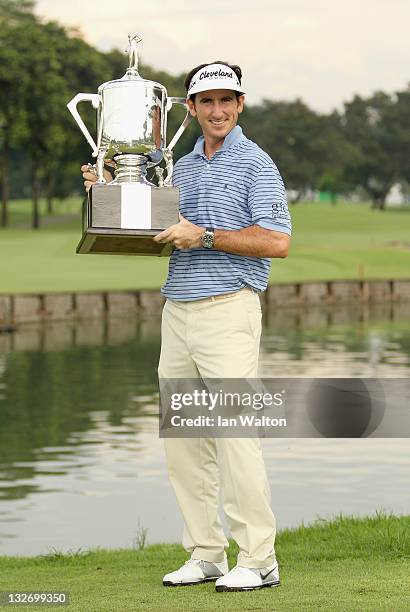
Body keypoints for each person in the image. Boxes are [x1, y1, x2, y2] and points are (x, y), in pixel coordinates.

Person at [82, 61, 292, 593]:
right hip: (178, 310)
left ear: (240, 105)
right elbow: (155, 226)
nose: (218, 111)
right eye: (207, 102)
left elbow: (277, 242)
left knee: (235, 438)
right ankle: (206, 553)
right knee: (185, 441)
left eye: (228, 101)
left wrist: (207, 236)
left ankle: (260, 558)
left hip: (229, 309)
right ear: (190, 109)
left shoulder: (255, 164)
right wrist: (107, 185)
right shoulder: (180, 165)